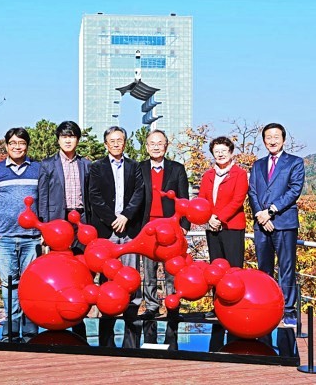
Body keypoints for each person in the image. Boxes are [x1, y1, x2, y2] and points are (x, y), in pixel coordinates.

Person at [88, 126, 145, 348]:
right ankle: (107, 322)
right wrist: (113, 219)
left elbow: (139, 193)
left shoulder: (134, 166)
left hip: (129, 229)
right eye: (111, 140)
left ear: (125, 142)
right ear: (105, 144)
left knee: (131, 275)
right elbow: (94, 196)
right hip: (107, 229)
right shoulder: (96, 167)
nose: (115, 144)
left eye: (119, 140)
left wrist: (126, 216)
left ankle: (131, 322)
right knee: (108, 275)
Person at [0, 127, 42, 342]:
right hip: (5, 238)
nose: (17, 147)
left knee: (31, 284)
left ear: (27, 145)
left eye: (21, 143)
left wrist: (44, 230)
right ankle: (12, 325)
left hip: (32, 238)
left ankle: (30, 325)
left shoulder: (38, 169)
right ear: (6, 145)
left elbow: (44, 201)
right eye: (13, 143)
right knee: (9, 284)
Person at [248, 123, 305, 328]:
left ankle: (288, 310)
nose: (272, 141)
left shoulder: (295, 162)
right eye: (268, 137)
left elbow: (294, 190)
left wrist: (271, 211)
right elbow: (252, 191)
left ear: (283, 139)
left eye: (276, 137)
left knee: (286, 268)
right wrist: (260, 215)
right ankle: (266, 307)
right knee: (264, 268)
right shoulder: (258, 165)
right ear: (264, 141)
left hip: (284, 223)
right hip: (261, 224)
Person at [37, 120, 91, 338]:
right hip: (58, 221)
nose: (68, 140)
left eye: (72, 136)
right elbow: (42, 197)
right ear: (58, 139)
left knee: (81, 265)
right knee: (59, 268)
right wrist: (45, 227)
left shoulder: (86, 164)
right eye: (64, 136)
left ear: (77, 140)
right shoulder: (47, 165)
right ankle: (57, 311)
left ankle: (79, 312)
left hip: (81, 219)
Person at [138, 129, 190, 321]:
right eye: (152, 143)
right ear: (146, 147)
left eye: (160, 143)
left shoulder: (177, 169)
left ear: (166, 146)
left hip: (172, 227)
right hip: (148, 228)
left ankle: (172, 307)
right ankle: (152, 306)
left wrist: (185, 225)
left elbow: (184, 199)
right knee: (149, 270)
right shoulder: (139, 168)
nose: (156, 147)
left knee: (172, 270)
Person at [198, 136, 249, 319]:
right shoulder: (208, 175)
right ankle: (218, 306)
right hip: (212, 227)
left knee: (233, 269)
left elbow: (237, 200)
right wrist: (209, 218)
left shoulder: (240, 174)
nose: (220, 154)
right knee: (216, 269)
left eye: (224, 151)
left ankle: (235, 306)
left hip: (231, 227)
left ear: (231, 152)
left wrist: (219, 218)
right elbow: (202, 199)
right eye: (216, 151)